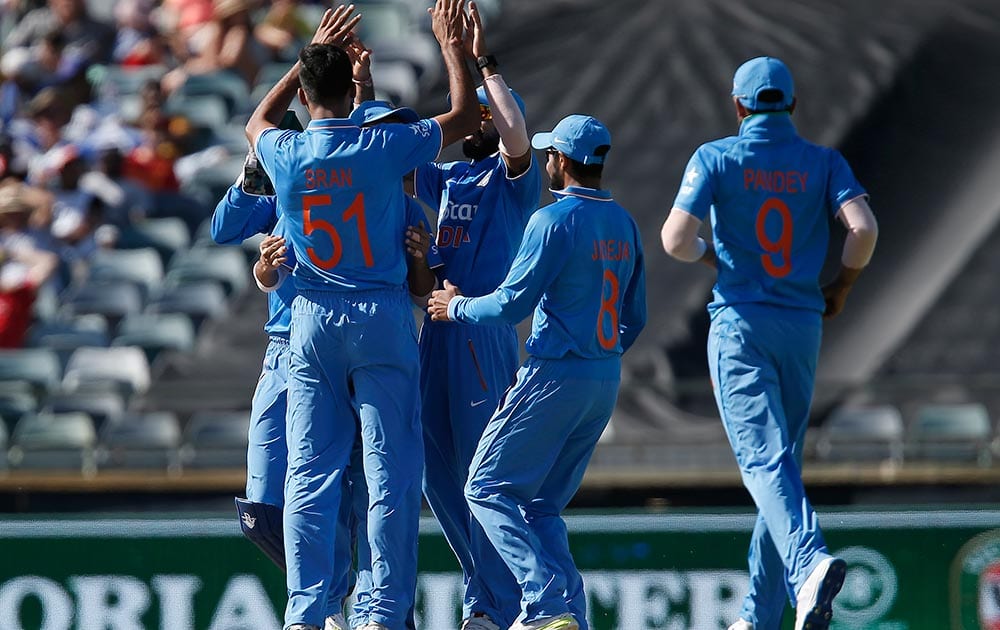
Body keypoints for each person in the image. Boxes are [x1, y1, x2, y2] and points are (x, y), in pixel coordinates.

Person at [244, 2, 479, 628]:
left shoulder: (288, 153)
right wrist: (451, 48)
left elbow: (256, 120)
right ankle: (383, 613)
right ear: (352, 89)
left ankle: (305, 613)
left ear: (307, 88)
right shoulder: (381, 145)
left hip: (312, 320)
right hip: (378, 315)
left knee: (309, 476)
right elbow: (461, 117)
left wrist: (303, 61)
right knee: (391, 471)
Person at [659, 56, 878, 630]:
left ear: (738, 107)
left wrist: (715, 255)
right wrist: (844, 285)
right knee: (779, 467)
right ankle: (760, 616)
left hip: (742, 322)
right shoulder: (822, 161)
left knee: (763, 461)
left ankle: (808, 563)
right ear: (793, 105)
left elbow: (675, 239)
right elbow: (863, 229)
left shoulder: (717, 156)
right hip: (802, 325)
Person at [428, 114, 647, 630]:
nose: (546, 159)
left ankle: (543, 602)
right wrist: (600, 353)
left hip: (555, 374)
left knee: (484, 487)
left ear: (564, 161)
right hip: (604, 378)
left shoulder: (553, 220)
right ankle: (569, 618)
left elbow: (509, 305)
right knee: (542, 506)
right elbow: (634, 318)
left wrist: (456, 306)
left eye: (552, 153)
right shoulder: (623, 221)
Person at [409, 4, 540, 629]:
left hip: (481, 334)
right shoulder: (452, 176)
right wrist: (364, 86)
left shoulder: (512, 180)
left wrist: (479, 61)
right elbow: (392, 155)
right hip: (435, 331)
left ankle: (492, 606)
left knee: (478, 476)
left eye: (488, 111)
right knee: (437, 479)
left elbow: (517, 132)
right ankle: (493, 595)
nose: (483, 118)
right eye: (479, 112)